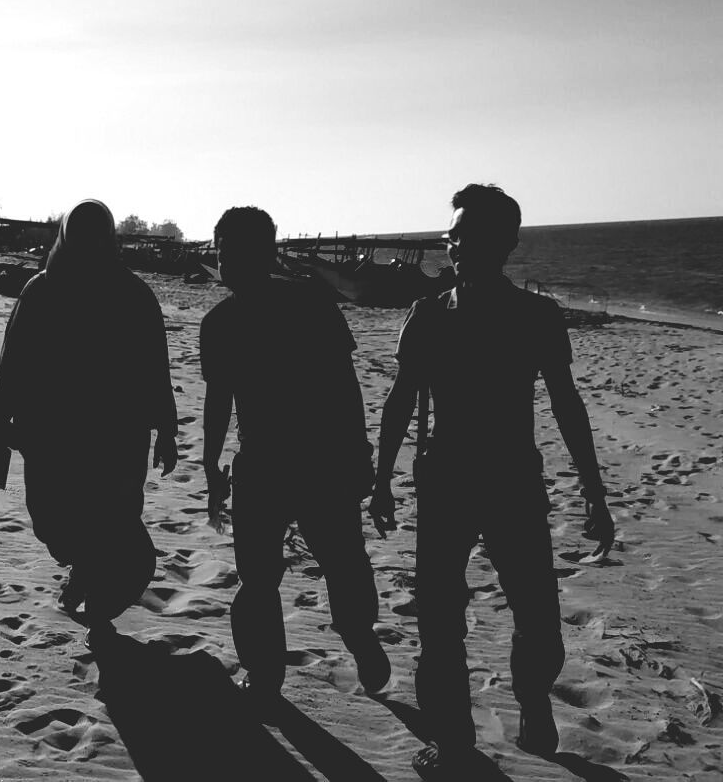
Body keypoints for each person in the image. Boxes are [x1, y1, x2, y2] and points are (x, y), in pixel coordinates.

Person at [370, 184, 616, 778]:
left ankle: (532, 696)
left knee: (538, 619)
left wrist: (594, 492)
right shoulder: (427, 314)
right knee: (438, 619)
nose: (454, 244)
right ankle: (453, 741)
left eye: (468, 235)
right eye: (451, 233)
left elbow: (567, 404)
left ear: (505, 243)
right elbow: (401, 399)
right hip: (445, 481)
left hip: (513, 483)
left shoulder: (536, 316)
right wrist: (381, 479)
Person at [199, 206, 388, 712]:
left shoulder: (309, 303)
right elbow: (218, 398)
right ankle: (264, 674)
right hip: (259, 464)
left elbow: (345, 386)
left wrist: (361, 453)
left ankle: (360, 636)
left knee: (342, 562)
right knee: (258, 577)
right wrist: (211, 462)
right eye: (222, 249)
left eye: (239, 250)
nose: (228, 259)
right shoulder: (218, 323)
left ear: (266, 253)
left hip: (321, 461)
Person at [0, 199, 179, 644]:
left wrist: (165, 428)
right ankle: (85, 567)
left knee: (113, 518)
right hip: (50, 432)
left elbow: (155, 367)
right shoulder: (41, 290)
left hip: (118, 434)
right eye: (81, 232)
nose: (89, 242)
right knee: (51, 522)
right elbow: (12, 362)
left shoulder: (134, 294)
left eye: (97, 233)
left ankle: (102, 608)